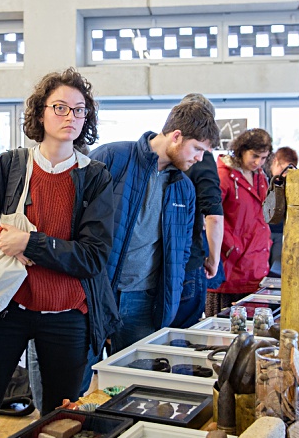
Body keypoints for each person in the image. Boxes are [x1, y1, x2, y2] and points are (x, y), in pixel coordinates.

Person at [0, 68, 117, 438]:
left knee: (59, 419)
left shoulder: (94, 177)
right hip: (6, 308)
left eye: (79, 110)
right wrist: (1, 238)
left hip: (66, 315)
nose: (70, 117)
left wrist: (33, 243)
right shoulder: (10, 166)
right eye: (60, 107)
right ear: (40, 114)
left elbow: (93, 256)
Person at [78, 96, 218, 394]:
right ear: (177, 136)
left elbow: (180, 252)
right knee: (77, 384)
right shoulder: (112, 157)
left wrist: (170, 295)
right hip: (94, 292)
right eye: (198, 149)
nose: (199, 159)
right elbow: (74, 215)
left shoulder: (185, 187)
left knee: (136, 388)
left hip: (143, 299)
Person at [169, 94, 224, 329]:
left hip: (164, 262)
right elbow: (214, 215)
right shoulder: (204, 159)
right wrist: (213, 258)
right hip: (189, 262)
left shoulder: (166, 155)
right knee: (182, 340)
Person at [206, 128, 273, 316]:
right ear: (242, 150)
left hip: (256, 266)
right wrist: (230, 247)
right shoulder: (223, 175)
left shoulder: (261, 176)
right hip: (230, 267)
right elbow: (209, 216)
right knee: (223, 334)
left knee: (258, 332)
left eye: (264, 157)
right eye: (255, 156)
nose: (259, 162)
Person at [265, 146, 299, 277]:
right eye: (283, 168)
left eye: (289, 170)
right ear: (275, 162)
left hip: (281, 232)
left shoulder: (291, 183)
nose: (285, 173)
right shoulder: (261, 179)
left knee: (277, 272)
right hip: (265, 230)